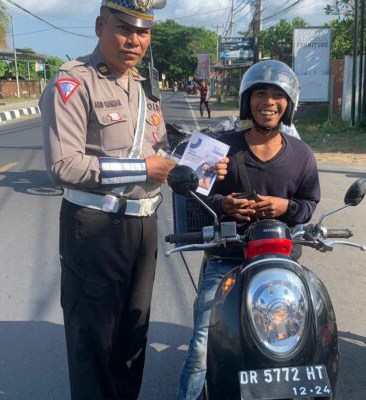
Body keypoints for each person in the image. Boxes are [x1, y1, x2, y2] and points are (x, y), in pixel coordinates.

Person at [40, 1, 227, 399]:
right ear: (99, 27)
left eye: (143, 32)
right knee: (94, 339)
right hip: (94, 227)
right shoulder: (74, 83)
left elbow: (159, 148)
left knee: (133, 334)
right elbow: (64, 164)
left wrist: (202, 166)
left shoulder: (143, 87)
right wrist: (145, 170)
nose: (134, 40)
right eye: (124, 29)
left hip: (144, 225)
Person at [175, 60, 321, 400]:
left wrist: (286, 207)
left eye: (276, 95)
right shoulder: (220, 146)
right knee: (201, 345)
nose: (268, 102)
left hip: (280, 262)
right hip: (227, 257)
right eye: (260, 94)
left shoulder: (302, 155)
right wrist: (224, 204)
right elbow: (192, 193)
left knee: (293, 341)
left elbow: (309, 202)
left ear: (289, 104)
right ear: (247, 101)